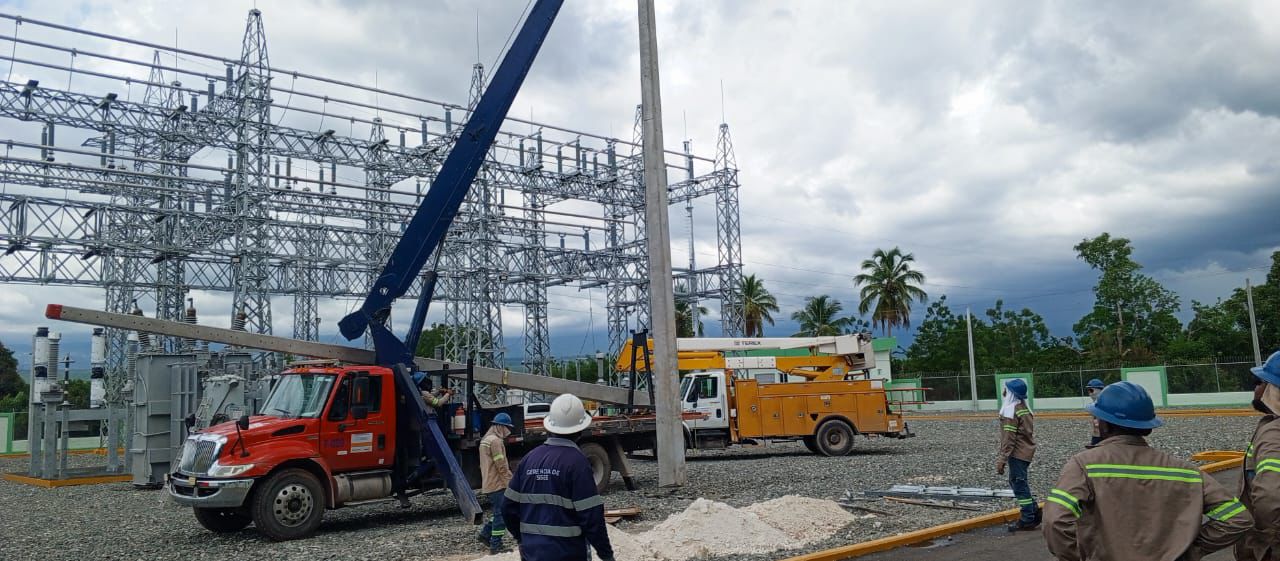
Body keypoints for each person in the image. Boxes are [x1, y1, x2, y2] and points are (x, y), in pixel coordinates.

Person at [1044, 381, 1252, 561]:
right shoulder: (1186, 472)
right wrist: (1188, 550)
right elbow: (1237, 519)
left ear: (1105, 424)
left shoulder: (1084, 466)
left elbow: (1055, 521)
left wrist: (1075, 556)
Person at [503, 394, 613, 561]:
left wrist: (522, 538)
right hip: (568, 553)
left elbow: (507, 508)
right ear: (580, 430)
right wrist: (606, 555)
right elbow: (591, 517)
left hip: (532, 554)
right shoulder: (577, 462)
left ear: (550, 427)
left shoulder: (529, 459)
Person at [1236, 350, 1280, 561]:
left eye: (1259, 382)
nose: (1256, 388)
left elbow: (1270, 497)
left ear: (1273, 389)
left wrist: (1268, 542)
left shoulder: (1274, 434)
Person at [997, 378, 1039, 531]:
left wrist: (1002, 459)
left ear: (1011, 393)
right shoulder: (1024, 408)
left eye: (1006, 389)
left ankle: (1028, 518)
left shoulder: (1011, 411)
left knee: (1019, 485)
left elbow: (1009, 438)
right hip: (1026, 451)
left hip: (1017, 454)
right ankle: (1034, 510)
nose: (1003, 392)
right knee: (1018, 482)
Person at [477, 412, 516, 554]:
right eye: (506, 427)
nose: (508, 430)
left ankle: (485, 534)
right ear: (500, 426)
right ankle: (496, 545)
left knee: (497, 512)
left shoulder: (486, 439)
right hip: (497, 484)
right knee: (501, 515)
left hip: (489, 482)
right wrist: (510, 482)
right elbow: (501, 465)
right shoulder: (496, 441)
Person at [1085, 378, 1105, 446]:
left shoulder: (1104, 404)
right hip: (1097, 436)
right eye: (1088, 391)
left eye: (1091, 390)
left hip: (1103, 436)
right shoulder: (1094, 404)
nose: (1090, 393)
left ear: (1100, 390)